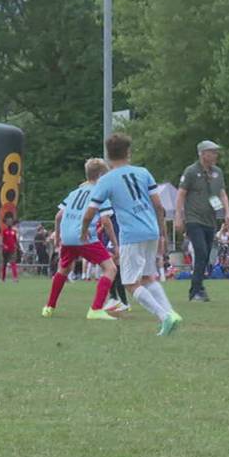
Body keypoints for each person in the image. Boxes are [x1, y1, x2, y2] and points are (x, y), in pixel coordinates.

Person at [82, 133, 182, 336]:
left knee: (129, 282)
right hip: (151, 230)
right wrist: (162, 233)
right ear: (128, 152)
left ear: (108, 156)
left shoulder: (106, 180)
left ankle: (165, 316)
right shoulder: (143, 172)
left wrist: (84, 230)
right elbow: (158, 205)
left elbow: (91, 211)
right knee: (147, 277)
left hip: (131, 234)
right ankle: (171, 313)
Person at [43, 158, 120, 320]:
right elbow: (106, 221)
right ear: (100, 176)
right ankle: (96, 309)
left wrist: (58, 236)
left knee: (63, 269)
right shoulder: (100, 193)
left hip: (67, 237)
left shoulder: (74, 192)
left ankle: (49, 307)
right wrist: (115, 243)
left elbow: (58, 216)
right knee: (110, 269)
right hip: (84, 236)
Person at [175, 140, 229, 302]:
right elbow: (181, 193)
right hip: (194, 219)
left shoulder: (217, 172)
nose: (215, 155)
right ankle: (195, 291)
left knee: (206, 255)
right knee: (200, 252)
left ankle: (199, 286)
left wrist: (227, 212)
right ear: (203, 154)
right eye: (212, 152)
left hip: (210, 220)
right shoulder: (191, 171)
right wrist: (179, 216)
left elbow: (222, 193)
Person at [0, 214, 20, 282]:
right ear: (6, 223)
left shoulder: (13, 231)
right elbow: (1, 240)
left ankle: (15, 278)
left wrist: (16, 246)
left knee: (13, 263)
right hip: (5, 250)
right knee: (4, 264)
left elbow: (15, 240)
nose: (9, 223)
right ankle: (3, 278)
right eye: (8, 222)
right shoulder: (4, 231)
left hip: (12, 249)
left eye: (10, 222)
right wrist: (3, 245)